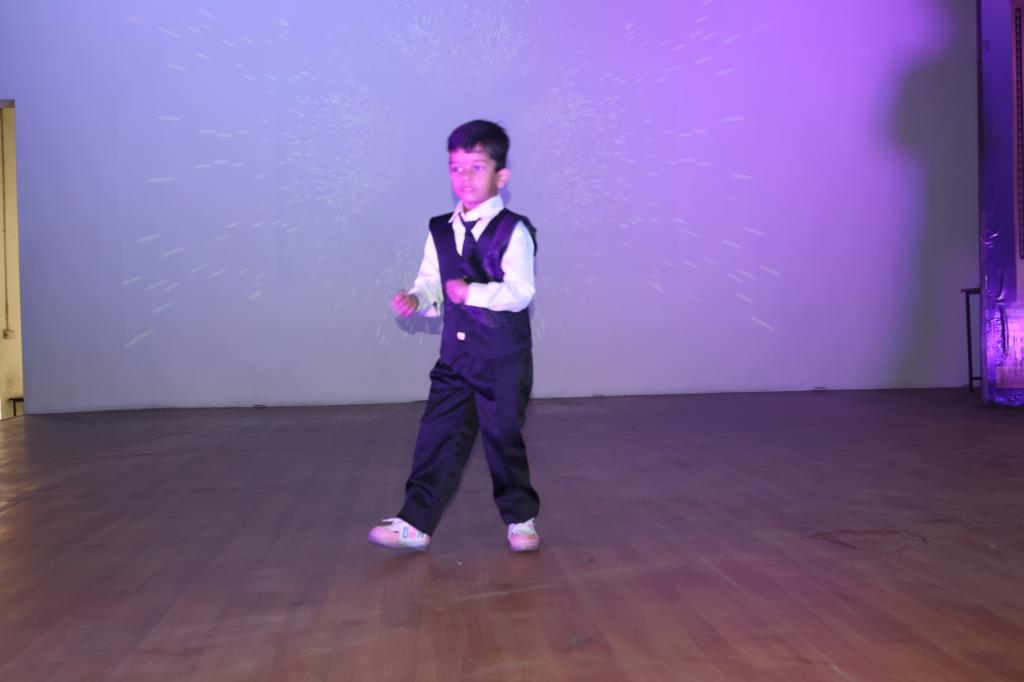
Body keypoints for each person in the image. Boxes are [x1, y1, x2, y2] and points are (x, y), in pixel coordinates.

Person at [369, 120, 540, 552]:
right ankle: (415, 522)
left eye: (476, 167)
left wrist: (472, 292)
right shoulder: (440, 229)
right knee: (437, 436)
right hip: (455, 358)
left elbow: (520, 292)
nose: (464, 177)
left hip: (502, 358)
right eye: (456, 168)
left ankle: (520, 518)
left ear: (501, 176)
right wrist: (416, 298)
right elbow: (431, 281)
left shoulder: (514, 230)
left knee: (502, 438)